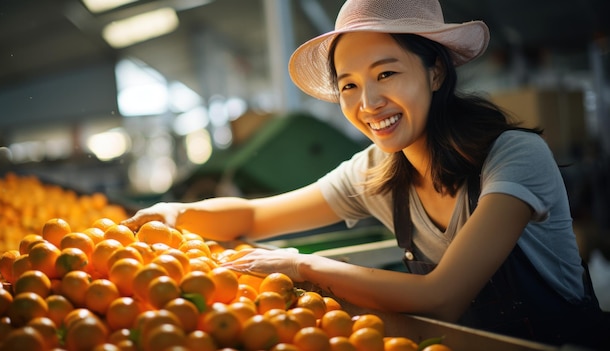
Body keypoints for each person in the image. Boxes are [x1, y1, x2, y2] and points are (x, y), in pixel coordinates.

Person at [122, 0, 608, 348]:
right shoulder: (376, 171)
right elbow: (251, 217)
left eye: (386, 74)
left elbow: (441, 299)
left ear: (435, 72)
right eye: (349, 85)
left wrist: (301, 267)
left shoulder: (514, 157)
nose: (368, 103)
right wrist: (177, 213)